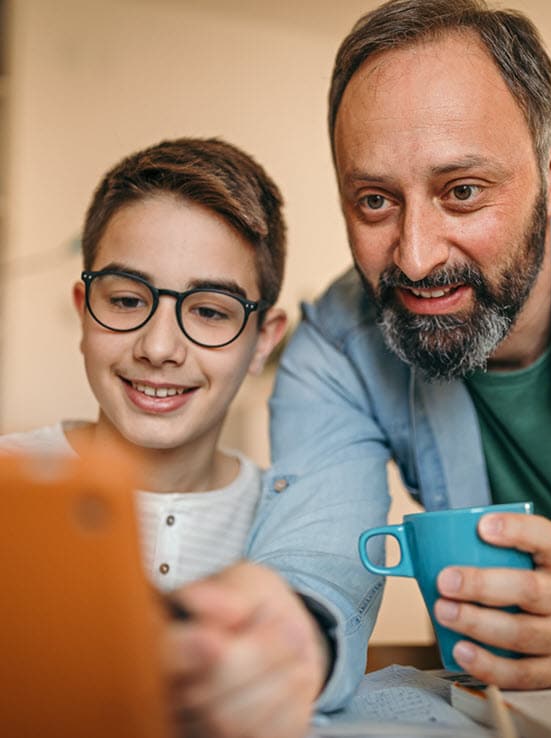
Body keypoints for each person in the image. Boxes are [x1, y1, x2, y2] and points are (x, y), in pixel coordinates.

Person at [266, 0, 551, 698]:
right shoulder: (334, 349)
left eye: (461, 191)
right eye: (374, 201)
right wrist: (276, 646)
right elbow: (315, 562)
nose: (418, 259)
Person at [0, 137, 338, 738]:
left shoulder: (286, 528)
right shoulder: (11, 478)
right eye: (127, 300)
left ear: (263, 339)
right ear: (84, 310)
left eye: (210, 311)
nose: (158, 348)